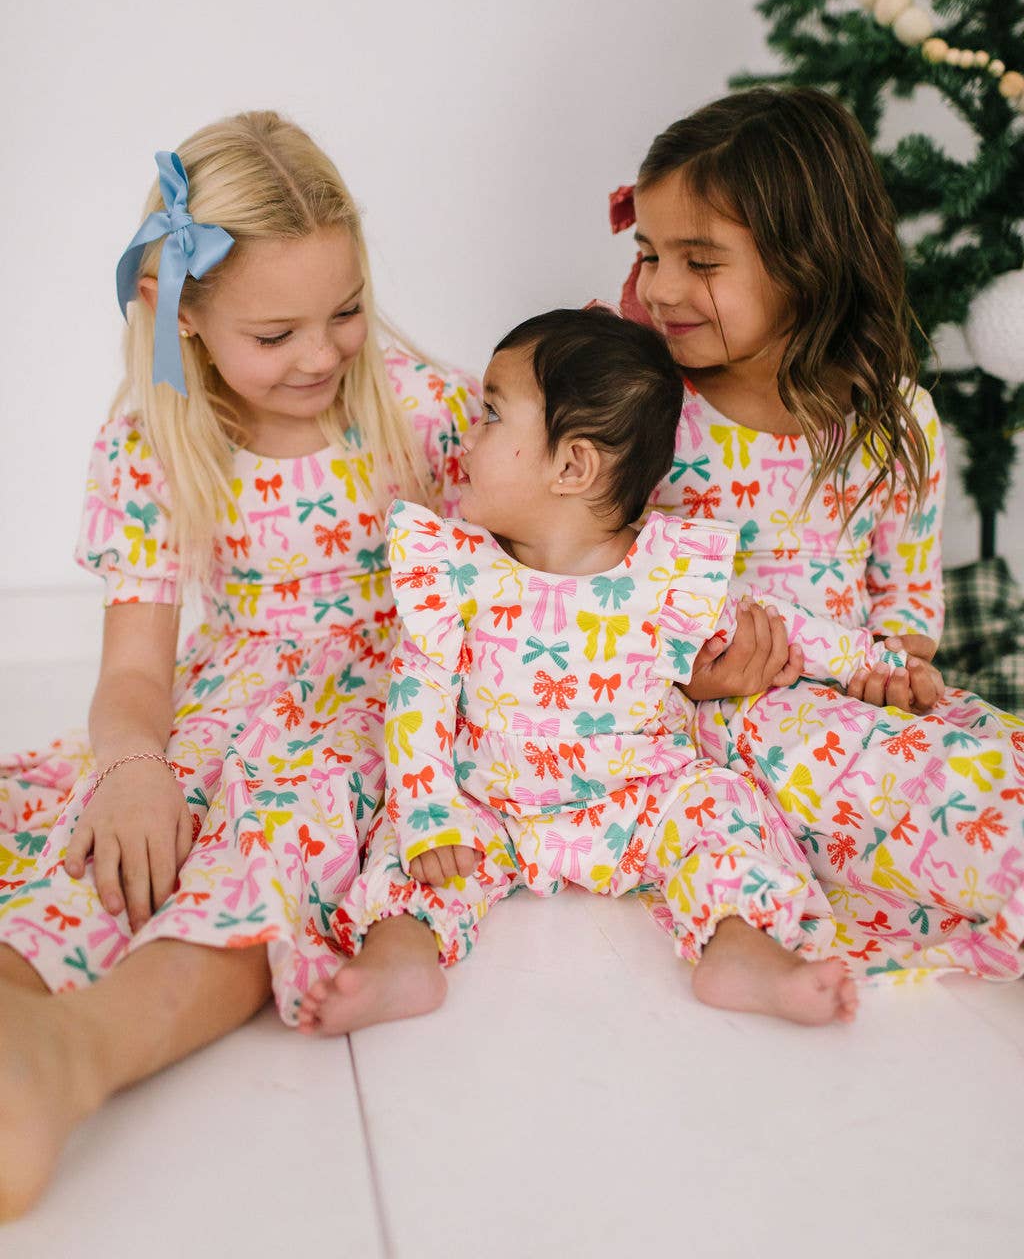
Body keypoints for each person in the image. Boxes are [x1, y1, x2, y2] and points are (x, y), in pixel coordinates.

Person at [0, 111, 477, 1222]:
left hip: (374, 714)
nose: (321, 354)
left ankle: (81, 1052)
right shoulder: (158, 442)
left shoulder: (419, 410)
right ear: (183, 314)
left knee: (263, 864)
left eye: (346, 311)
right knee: (114, 844)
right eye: (276, 332)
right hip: (230, 699)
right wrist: (133, 769)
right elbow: (135, 676)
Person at [298, 305, 924, 1038]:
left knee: (722, 813)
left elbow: (783, 625)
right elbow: (417, 705)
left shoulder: (667, 571)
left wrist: (876, 662)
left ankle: (741, 947)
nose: (466, 439)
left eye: (491, 416)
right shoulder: (457, 570)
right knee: (408, 850)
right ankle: (400, 959)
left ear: (572, 465)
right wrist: (432, 812)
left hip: (642, 796)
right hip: (491, 796)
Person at [615, 85, 1024, 980]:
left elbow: (904, 595)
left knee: (988, 745)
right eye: (649, 254)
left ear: (806, 264)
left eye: (700, 261)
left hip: (859, 702)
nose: (661, 288)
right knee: (935, 798)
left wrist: (900, 668)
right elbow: (585, 587)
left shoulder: (894, 420)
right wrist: (689, 674)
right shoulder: (645, 414)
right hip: (726, 721)